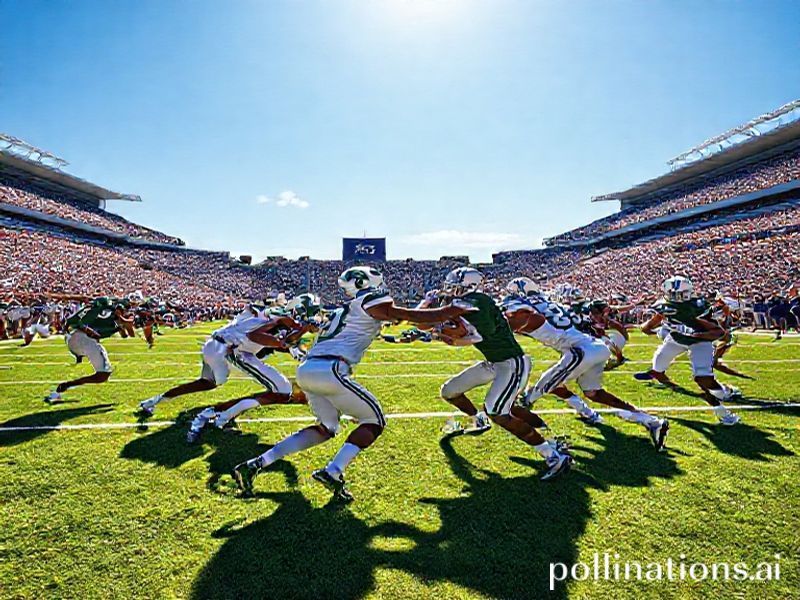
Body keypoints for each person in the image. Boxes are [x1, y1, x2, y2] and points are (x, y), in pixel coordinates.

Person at [232, 265, 473, 502]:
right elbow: (409, 316)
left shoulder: (343, 310)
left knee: (326, 428)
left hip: (308, 369)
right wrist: (450, 310)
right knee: (374, 421)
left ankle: (257, 463)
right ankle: (334, 471)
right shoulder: (369, 301)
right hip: (331, 368)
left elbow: (389, 323)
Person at [436, 268, 573, 481]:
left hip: (511, 363)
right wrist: (440, 333)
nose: (451, 290)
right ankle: (478, 420)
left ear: (469, 286)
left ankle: (553, 455)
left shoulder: (479, 302)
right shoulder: (469, 304)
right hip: (494, 362)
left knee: (498, 411)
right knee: (449, 391)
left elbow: (475, 335)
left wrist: (445, 333)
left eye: (456, 286)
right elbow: (463, 336)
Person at [504, 277, 669, 450]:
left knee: (532, 395)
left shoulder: (523, 307)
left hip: (579, 351)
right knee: (593, 393)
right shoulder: (548, 301)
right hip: (594, 346)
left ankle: (550, 443)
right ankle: (652, 421)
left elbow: (518, 319)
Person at [136, 298, 314, 420]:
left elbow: (256, 322)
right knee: (214, 382)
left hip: (214, 343)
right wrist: (285, 343)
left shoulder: (266, 313)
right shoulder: (280, 318)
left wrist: (289, 344)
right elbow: (256, 335)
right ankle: (219, 413)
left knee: (206, 382)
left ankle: (155, 400)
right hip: (225, 349)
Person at [635, 276, 741, 425]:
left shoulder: (698, 306)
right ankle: (725, 392)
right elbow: (650, 325)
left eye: (679, 294)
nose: (676, 297)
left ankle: (724, 401)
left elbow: (718, 332)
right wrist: (651, 329)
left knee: (703, 378)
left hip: (700, 342)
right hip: (676, 339)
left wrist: (695, 335)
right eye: (672, 294)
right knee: (657, 366)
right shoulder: (664, 306)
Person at [45, 297, 133, 403]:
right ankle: (64, 386)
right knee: (103, 374)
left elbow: (122, 333)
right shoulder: (104, 310)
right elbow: (74, 323)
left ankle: (62, 388)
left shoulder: (107, 319)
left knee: (102, 375)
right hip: (82, 339)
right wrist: (86, 329)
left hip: (74, 340)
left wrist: (119, 327)